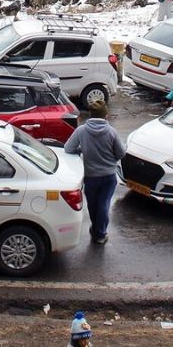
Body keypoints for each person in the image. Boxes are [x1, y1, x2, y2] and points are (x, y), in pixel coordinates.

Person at [63, 101, 125, 245]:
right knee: (104, 203)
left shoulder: (81, 131)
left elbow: (68, 148)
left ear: (92, 114)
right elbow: (121, 153)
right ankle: (100, 234)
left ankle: (96, 229)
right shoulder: (111, 132)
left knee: (92, 204)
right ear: (106, 115)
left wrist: (82, 149)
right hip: (109, 176)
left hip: (91, 176)